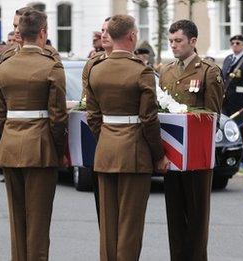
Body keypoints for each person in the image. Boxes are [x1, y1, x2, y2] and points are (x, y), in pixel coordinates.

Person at [85, 14, 169, 260]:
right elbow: (149, 119)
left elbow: (92, 116)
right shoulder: (141, 71)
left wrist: (108, 137)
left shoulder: (96, 70)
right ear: (132, 36)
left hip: (106, 150)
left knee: (108, 225)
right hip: (134, 154)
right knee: (130, 226)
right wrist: (159, 155)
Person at [0, 9, 67, 261]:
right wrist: (59, 149)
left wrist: (10, 134)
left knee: (18, 219)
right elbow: (57, 117)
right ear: (43, 32)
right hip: (41, 148)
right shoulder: (51, 65)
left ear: (19, 34)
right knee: (39, 221)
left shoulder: (4, 66)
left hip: (11, 145)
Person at [159, 20, 224, 261]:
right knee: (174, 216)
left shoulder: (208, 71)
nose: (173, 45)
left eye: (178, 41)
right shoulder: (165, 71)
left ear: (193, 41)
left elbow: (212, 116)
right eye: (171, 41)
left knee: (196, 219)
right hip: (172, 155)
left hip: (196, 157)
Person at [81, 16, 113, 228]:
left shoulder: (136, 64)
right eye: (102, 30)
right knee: (102, 204)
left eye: (108, 31)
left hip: (127, 143)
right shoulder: (93, 64)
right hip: (99, 140)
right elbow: (88, 104)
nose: (103, 34)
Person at [222, 34, 243, 163]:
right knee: (227, 128)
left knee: (240, 129)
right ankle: (228, 156)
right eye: (233, 43)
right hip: (226, 100)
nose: (235, 45)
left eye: (238, 43)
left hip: (241, 102)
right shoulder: (228, 59)